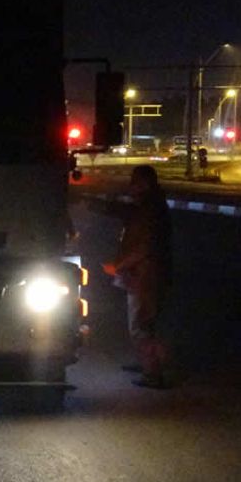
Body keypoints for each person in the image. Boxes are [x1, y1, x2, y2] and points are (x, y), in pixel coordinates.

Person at [101, 165, 173, 389]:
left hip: (144, 277)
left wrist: (118, 266)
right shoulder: (149, 206)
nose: (130, 187)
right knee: (145, 323)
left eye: (135, 182)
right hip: (144, 275)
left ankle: (153, 373)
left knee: (139, 326)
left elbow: (144, 247)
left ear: (144, 184)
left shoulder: (149, 211)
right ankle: (146, 362)